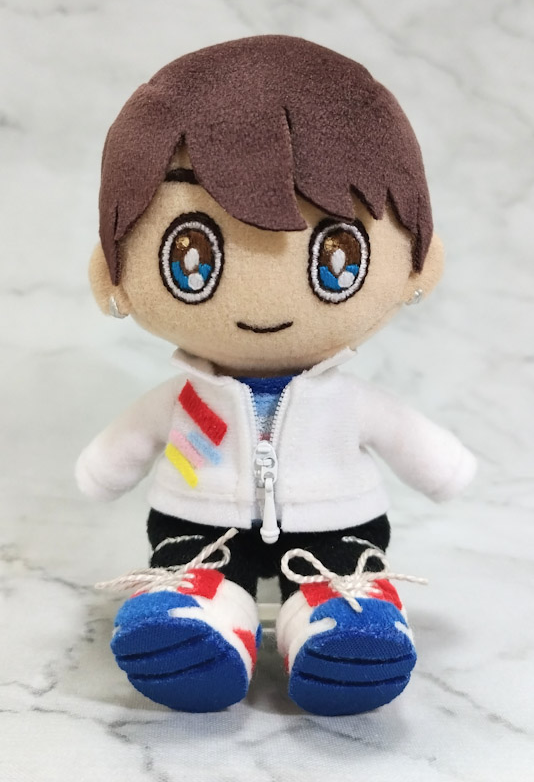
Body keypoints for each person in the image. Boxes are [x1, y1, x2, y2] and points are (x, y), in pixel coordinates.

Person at [77, 35, 476, 716]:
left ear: (419, 262)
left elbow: (421, 449)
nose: (264, 301)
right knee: (188, 584)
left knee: (346, 591)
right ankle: (201, 614)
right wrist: (100, 471)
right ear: (110, 272)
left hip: (337, 532)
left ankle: (337, 621)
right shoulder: (183, 402)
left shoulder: (350, 401)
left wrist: (447, 470)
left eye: (338, 257)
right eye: (191, 256)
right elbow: (118, 454)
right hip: (199, 527)